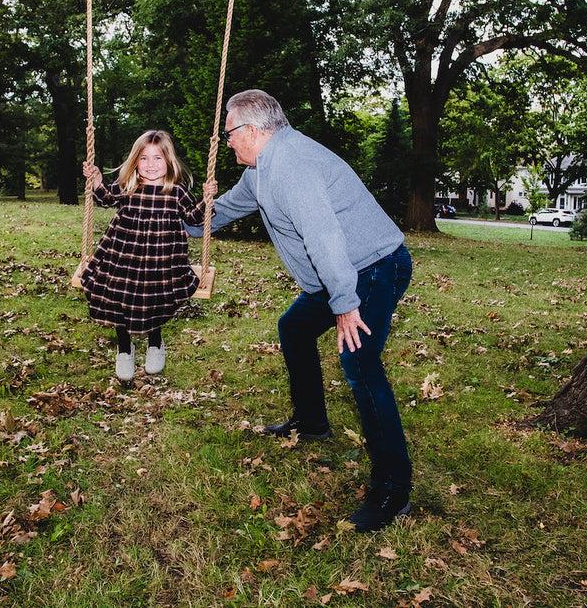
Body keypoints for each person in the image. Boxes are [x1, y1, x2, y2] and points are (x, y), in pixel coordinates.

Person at [187, 89, 414, 531]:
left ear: (252, 130)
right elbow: (225, 209)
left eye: (230, 133)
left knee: (360, 363)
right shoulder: (261, 167)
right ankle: (312, 421)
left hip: (371, 268)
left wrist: (346, 304)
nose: (227, 141)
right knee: (294, 328)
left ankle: (392, 491)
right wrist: (177, 224)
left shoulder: (291, 165)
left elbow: (324, 236)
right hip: (340, 275)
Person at [80, 130, 211, 381]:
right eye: (144, 158)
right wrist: (96, 179)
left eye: (158, 158)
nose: (151, 165)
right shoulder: (129, 186)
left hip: (160, 263)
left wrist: (207, 199)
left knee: (155, 298)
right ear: (135, 162)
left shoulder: (176, 193)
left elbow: (195, 218)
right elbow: (106, 198)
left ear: (169, 161)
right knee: (118, 296)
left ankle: (155, 342)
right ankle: (123, 348)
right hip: (123, 257)